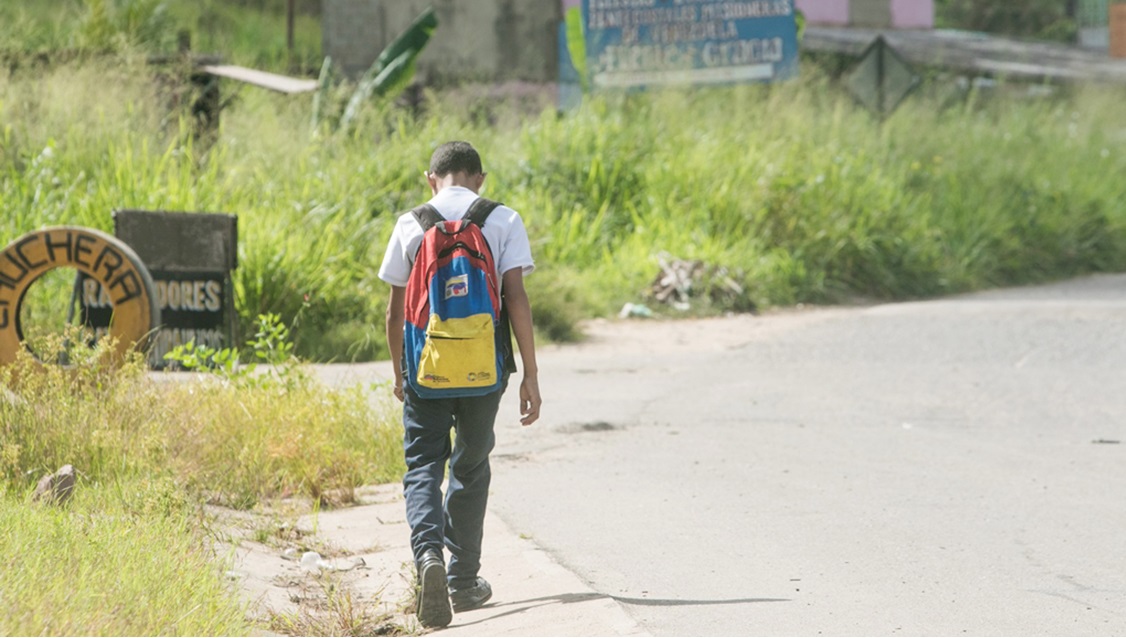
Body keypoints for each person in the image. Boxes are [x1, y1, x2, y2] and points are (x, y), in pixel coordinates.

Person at [379, 141, 542, 628]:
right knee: (470, 465)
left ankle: (427, 555)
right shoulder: (503, 219)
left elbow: (393, 312)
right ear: (480, 178)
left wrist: (399, 373)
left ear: (432, 178)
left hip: (425, 369)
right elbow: (516, 299)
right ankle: (463, 579)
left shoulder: (411, 222)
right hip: (484, 369)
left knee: (423, 463)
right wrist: (530, 374)